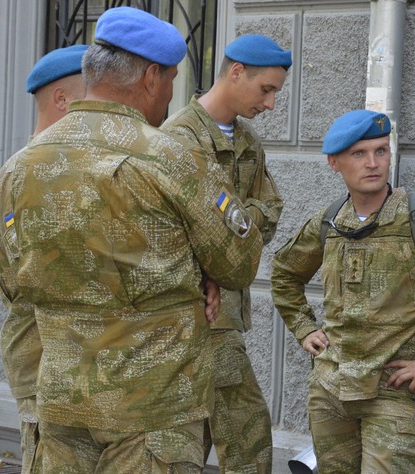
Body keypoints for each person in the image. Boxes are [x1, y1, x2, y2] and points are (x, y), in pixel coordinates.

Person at [0, 7, 263, 473]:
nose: (170, 96)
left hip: (62, 406)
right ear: (151, 78)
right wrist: (201, 272)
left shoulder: (16, 169)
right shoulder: (170, 157)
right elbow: (239, 261)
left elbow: (11, 281)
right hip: (154, 412)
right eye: (173, 80)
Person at [271, 110, 415, 473]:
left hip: (390, 393)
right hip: (330, 391)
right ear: (335, 162)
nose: (373, 163)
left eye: (381, 151)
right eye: (359, 154)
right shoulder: (329, 222)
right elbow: (284, 272)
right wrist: (302, 327)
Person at [161, 33, 290, 473]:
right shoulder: (179, 138)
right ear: (236, 72)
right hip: (194, 311)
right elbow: (173, 229)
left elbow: (269, 211)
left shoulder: (248, 141)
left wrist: (232, 226)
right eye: (266, 89)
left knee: (204, 437)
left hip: (227, 311)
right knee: (240, 433)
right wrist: (233, 230)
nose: (270, 103)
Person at [0, 43, 87, 474]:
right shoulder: (24, 177)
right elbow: (20, 283)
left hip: (87, 373)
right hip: (48, 368)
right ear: (62, 99)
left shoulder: (74, 170)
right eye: (94, 97)